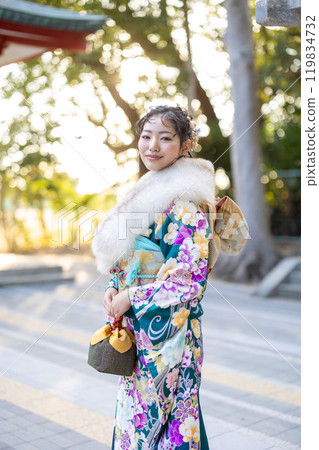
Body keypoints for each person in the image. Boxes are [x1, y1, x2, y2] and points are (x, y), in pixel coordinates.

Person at [92, 105, 248, 449]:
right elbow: (125, 260)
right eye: (146, 136)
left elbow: (190, 280)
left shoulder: (185, 206)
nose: (153, 146)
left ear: (185, 145)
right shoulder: (148, 193)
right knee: (139, 418)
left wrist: (130, 297)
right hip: (141, 328)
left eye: (165, 138)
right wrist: (113, 286)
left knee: (171, 421)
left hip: (171, 334)